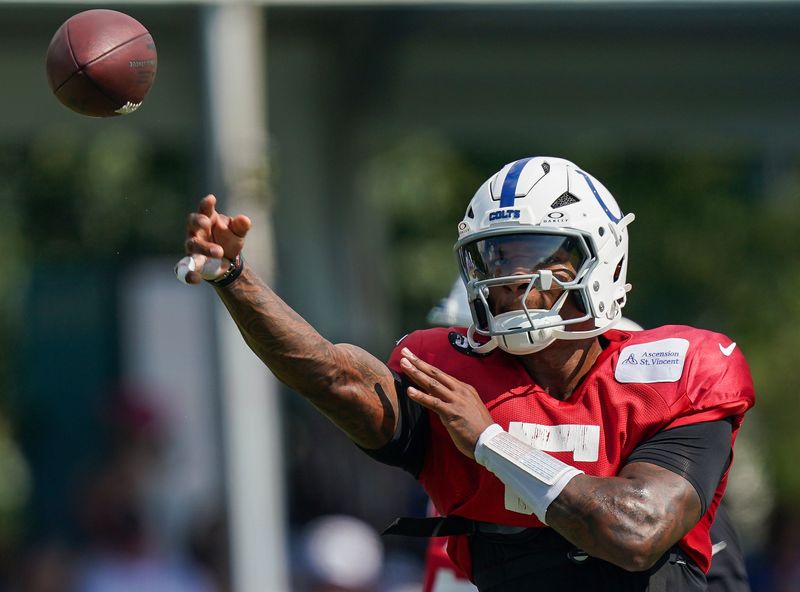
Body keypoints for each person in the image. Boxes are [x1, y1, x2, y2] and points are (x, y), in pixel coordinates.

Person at [177, 156, 754, 591]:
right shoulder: (451, 373)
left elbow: (635, 532)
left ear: (601, 259)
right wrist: (237, 280)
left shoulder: (677, 369)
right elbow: (334, 376)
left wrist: (490, 443)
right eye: (498, 257)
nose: (512, 279)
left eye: (539, 255)